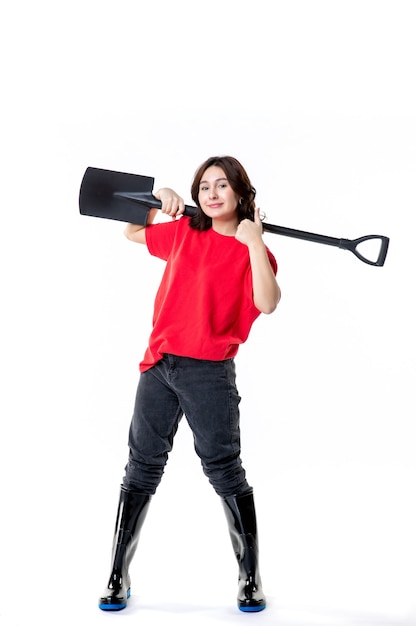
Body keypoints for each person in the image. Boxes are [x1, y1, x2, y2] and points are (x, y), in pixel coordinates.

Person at [98, 155, 281, 613]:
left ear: (240, 193)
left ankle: (249, 576)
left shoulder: (250, 247)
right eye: (203, 187)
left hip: (208, 372)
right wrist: (158, 203)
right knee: (140, 467)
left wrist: (255, 242)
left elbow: (268, 301)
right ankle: (118, 574)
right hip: (159, 364)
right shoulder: (185, 231)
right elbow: (133, 233)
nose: (212, 194)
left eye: (222, 186)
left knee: (224, 469)